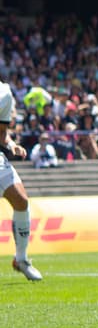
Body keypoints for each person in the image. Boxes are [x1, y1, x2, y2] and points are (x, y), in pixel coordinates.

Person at [1, 82, 43, 281]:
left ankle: (21, 259)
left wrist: (11, 144)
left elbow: (1, 132)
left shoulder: (4, 93)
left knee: (21, 201)